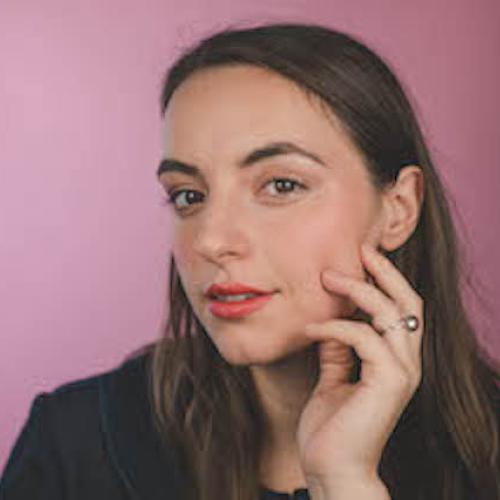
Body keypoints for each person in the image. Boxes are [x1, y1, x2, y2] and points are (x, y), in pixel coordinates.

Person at [1, 21, 499, 500]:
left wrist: (345, 482)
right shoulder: (73, 444)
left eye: (281, 185)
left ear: (398, 208)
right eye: (188, 196)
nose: (212, 241)